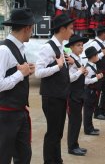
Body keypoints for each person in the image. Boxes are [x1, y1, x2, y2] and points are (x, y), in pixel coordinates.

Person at [35, 13, 75, 164]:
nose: (72, 32)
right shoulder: (47, 47)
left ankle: (57, 160)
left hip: (59, 96)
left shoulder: (60, 47)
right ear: (62, 29)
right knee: (53, 132)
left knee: (58, 132)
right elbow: (38, 72)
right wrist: (57, 66)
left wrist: (66, 64)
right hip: (51, 97)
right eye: (70, 28)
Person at [0, 8, 36, 163]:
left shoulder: (19, 48)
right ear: (27, 28)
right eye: (32, 28)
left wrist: (26, 71)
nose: (32, 31)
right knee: (3, 157)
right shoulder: (3, 50)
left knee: (24, 156)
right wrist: (20, 74)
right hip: (5, 116)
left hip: (18, 113)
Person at [65, 34, 89, 156]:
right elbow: (69, 78)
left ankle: (75, 144)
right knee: (74, 121)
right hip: (72, 94)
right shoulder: (69, 59)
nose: (81, 47)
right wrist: (80, 71)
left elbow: (78, 74)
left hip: (79, 93)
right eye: (78, 45)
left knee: (77, 120)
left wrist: (82, 72)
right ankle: (72, 147)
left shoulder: (78, 59)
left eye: (82, 45)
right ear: (72, 47)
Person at [90, 25, 105, 120]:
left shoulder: (104, 43)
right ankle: (96, 113)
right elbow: (91, 58)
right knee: (97, 92)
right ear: (103, 34)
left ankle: (102, 110)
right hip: (98, 72)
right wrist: (102, 53)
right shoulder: (94, 44)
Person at [84, 46, 104, 135]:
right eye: (96, 55)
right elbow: (85, 81)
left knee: (91, 110)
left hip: (93, 91)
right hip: (88, 91)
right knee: (88, 111)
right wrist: (97, 78)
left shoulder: (94, 65)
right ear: (93, 57)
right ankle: (88, 129)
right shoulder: (88, 68)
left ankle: (90, 127)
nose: (98, 57)